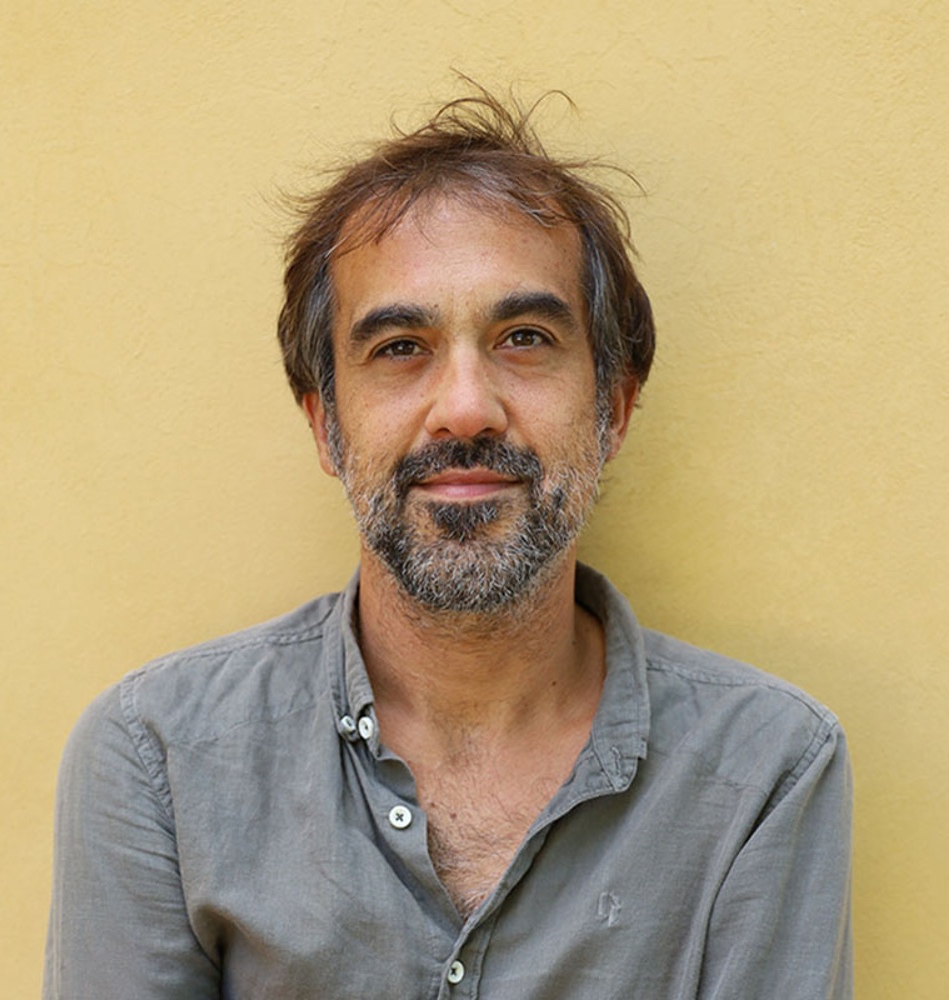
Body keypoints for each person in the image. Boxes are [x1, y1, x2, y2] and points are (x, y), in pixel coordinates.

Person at [44, 90, 853, 999]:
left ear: (614, 411)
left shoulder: (765, 770)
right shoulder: (158, 760)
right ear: (325, 427)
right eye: (400, 346)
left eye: (525, 338)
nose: (466, 409)